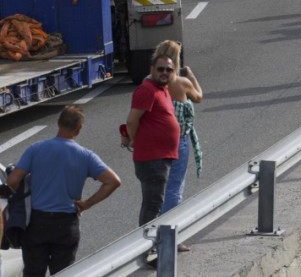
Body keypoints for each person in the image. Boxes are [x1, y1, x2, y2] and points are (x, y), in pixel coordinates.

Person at [2, 106, 120, 276]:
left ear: (58, 123)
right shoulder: (86, 156)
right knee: (63, 272)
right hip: (66, 224)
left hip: (36, 222)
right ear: (79, 129)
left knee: (33, 272)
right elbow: (113, 181)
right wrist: (87, 203)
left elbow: (13, 180)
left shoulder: (36, 149)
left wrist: (23, 196)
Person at [152, 41, 203, 234]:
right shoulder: (181, 83)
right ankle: (170, 234)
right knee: (174, 187)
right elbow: (198, 97)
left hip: (155, 141)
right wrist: (191, 77)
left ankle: (153, 230)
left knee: (157, 188)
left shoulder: (148, 81)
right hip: (177, 141)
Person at [125, 53, 180, 227]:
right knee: (153, 204)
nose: (164, 72)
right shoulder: (147, 90)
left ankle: (149, 244)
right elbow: (132, 120)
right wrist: (133, 139)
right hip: (152, 159)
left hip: (161, 157)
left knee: (154, 203)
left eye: (169, 69)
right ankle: (146, 245)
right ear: (152, 70)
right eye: (160, 69)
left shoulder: (162, 90)